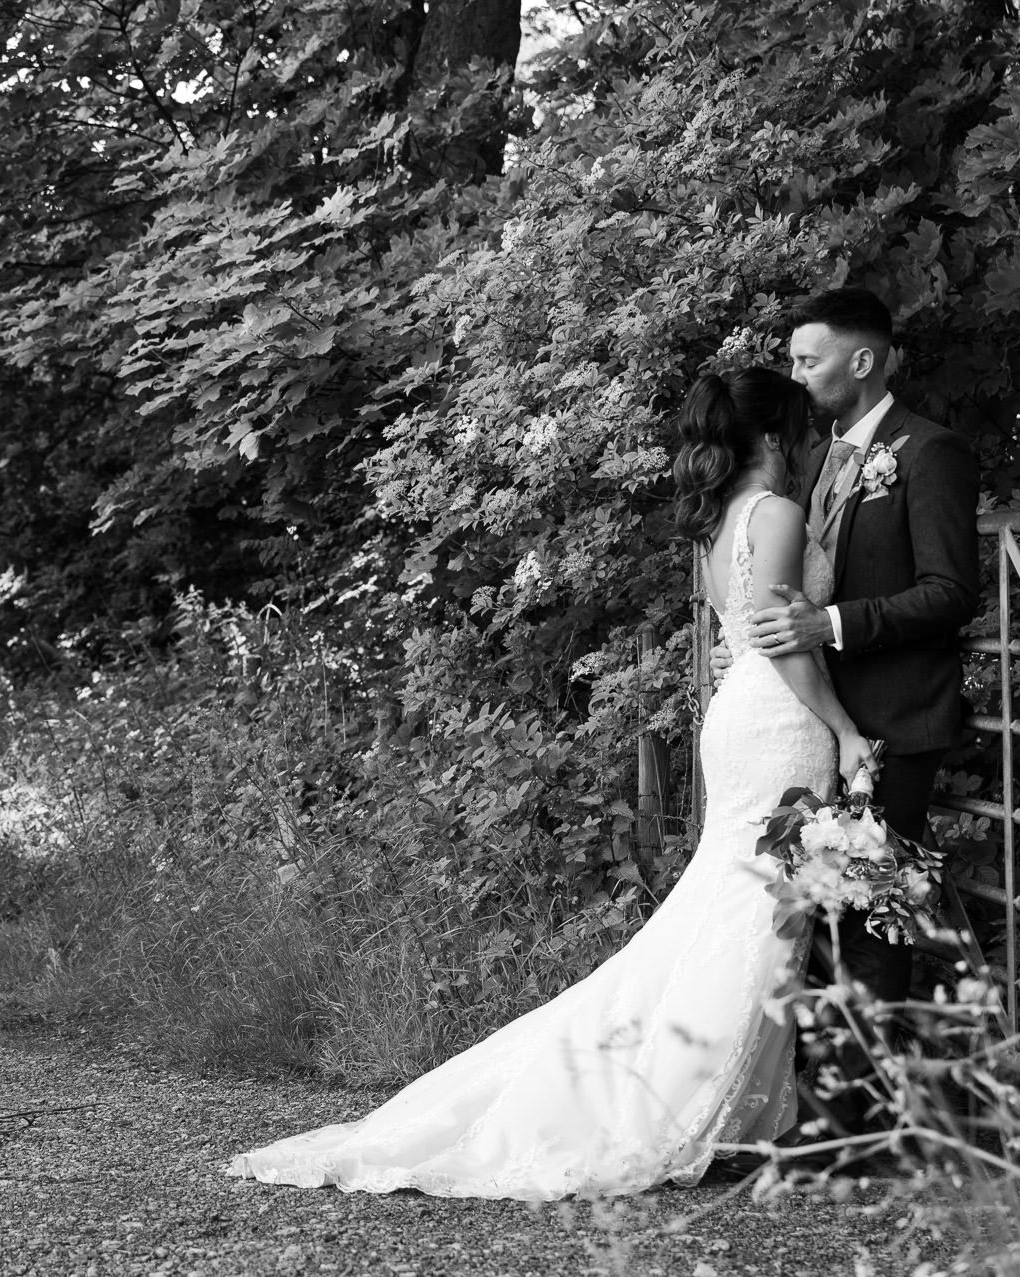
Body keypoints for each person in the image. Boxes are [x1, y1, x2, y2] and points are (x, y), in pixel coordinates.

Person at [226, 367, 878, 1199]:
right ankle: (678, 1096)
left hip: (743, 712)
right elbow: (788, 641)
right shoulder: (778, 513)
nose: (813, 450)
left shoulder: (717, 528)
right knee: (753, 903)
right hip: (780, 713)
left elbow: (745, 635)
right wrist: (849, 730)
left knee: (735, 900)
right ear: (780, 438)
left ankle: (693, 1082)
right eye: (805, 436)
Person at [740, 287, 979, 1133]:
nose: (799, 376)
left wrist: (831, 623)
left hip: (895, 721)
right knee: (828, 914)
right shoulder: (818, 461)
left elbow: (951, 592)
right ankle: (828, 1106)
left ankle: (866, 1129)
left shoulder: (930, 452)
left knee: (877, 919)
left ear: (863, 360)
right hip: (823, 726)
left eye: (811, 359)